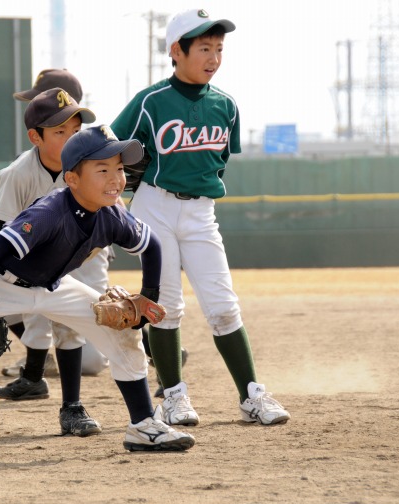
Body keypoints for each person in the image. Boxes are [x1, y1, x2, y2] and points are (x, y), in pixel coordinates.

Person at [0, 125, 196, 466]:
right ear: (72, 179)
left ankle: (143, 424)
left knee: (123, 334)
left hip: (54, 287)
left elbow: (151, 245)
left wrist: (147, 297)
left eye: (119, 168)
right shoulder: (47, 212)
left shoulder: (112, 214)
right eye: (102, 170)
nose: (115, 179)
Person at [111, 7, 290, 425]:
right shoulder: (151, 101)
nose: (213, 57)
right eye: (204, 48)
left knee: (224, 306)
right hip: (155, 205)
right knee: (167, 305)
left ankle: (251, 396)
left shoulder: (225, 106)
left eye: (219, 48)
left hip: (201, 212)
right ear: (177, 50)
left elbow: (218, 163)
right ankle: (173, 396)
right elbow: (113, 148)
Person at [0, 87, 102, 441]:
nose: (70, 139)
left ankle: (72, 409)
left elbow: (98, 233)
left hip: (48, 252)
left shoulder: (83, 169)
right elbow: (1, 242)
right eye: (59, 132)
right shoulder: (17, 174)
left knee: (70, 320)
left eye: (74, 131)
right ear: (35, 137)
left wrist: (59, 269)